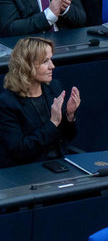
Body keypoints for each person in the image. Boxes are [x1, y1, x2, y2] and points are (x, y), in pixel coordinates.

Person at [0, 37, 79, 169]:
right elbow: (19, 150)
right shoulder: (7, 103)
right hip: (28, 170)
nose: (52, 66)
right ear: (27, 65)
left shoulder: (54, 87)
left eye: (51, 59)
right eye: (45, 61)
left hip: (60, 164)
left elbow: (68, 137)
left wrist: (69, 116)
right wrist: (53, 123)